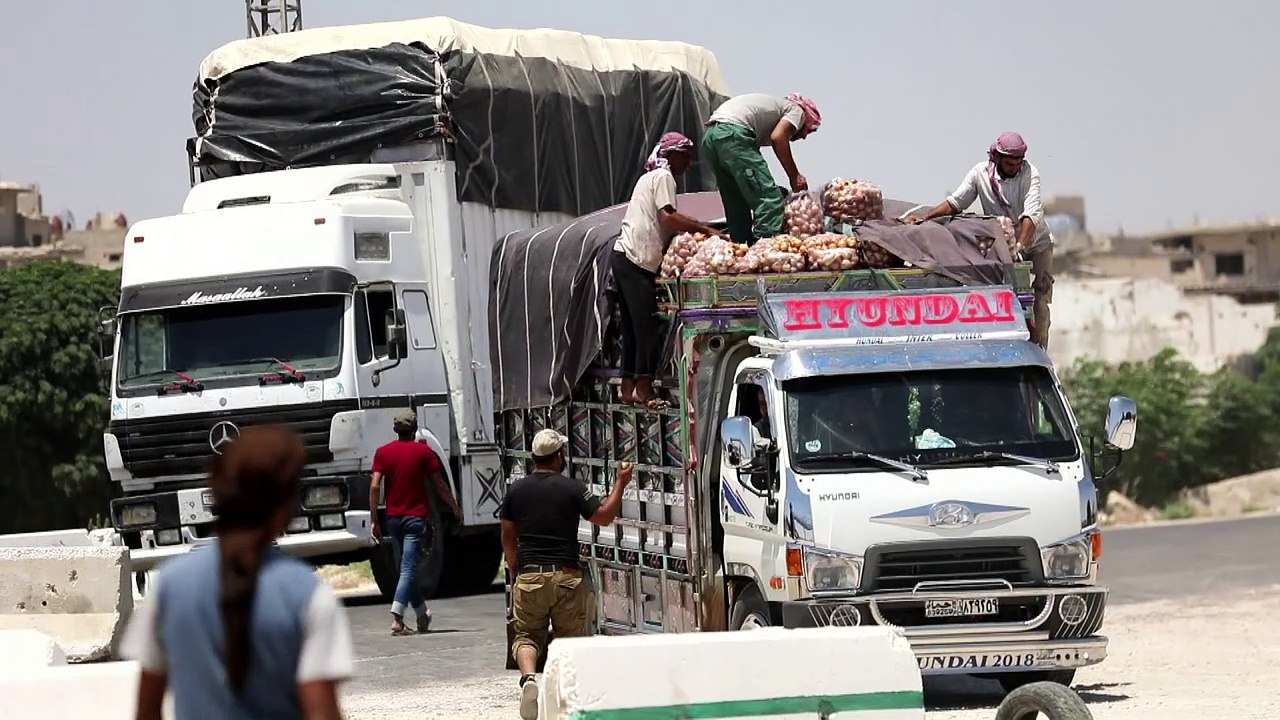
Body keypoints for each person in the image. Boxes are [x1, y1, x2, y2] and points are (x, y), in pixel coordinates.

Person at [121, 425, 354, 720]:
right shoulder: (308, 595)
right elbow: (320, 711)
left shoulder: (169, 586)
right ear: (284, 507)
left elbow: (146, 711)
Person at [499, 429, 633, 720]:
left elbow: (507, 536)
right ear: (559, 456)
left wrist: (515, 568)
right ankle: (565, 697)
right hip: (567, 576)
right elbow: (604, 516)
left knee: (526, 636)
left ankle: (529, 679)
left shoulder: (516, 491)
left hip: (530, 576)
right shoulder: (572, 488)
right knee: (570, 640)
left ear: (535, 457)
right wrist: (620, 483)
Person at [905, 132, 1055, 349]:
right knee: (998, 292)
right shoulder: (980, 173)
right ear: (997, 157)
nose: (1014, 167)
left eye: (1017, 162)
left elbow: (1031, 215)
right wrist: (926, 217)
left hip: (1035, 241)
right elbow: (956, 202)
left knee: (1040, 296)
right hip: (1000, 242)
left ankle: (1040, 349)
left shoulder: (1030, 173)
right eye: (1009, 162)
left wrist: (1019, 247)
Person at [613, 131, 722, 410]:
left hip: (625, 257)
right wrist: (706, 229)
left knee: (633, 329)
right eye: (684, 156)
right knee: (647, 328)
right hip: (636, 260)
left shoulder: (648, 178)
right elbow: (668, 217)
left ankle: (627, 388)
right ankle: (644, 388)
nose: (687, 162)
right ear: (671, 155)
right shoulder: (663, 177)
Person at [369, 409, 463, 636]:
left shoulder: (383, 453)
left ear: (395, 429)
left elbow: (374, 486)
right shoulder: (424, 452)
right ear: (414, 429)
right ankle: (397, 617)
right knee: (408, 569)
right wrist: (454, 505)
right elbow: (439, 484)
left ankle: (422, 613)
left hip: (393, 519)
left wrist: (374, 519)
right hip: (415, 519)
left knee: (404, 569)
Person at [701, 92, 822, 245]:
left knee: (737, 202)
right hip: (732, 134)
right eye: (809, 130)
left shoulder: (774, 110)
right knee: (770, 200)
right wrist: (794, 176)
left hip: (711, 137)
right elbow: (779, 137)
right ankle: (765, 249)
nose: (804, 136)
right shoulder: (797, 111)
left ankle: (740, 247)